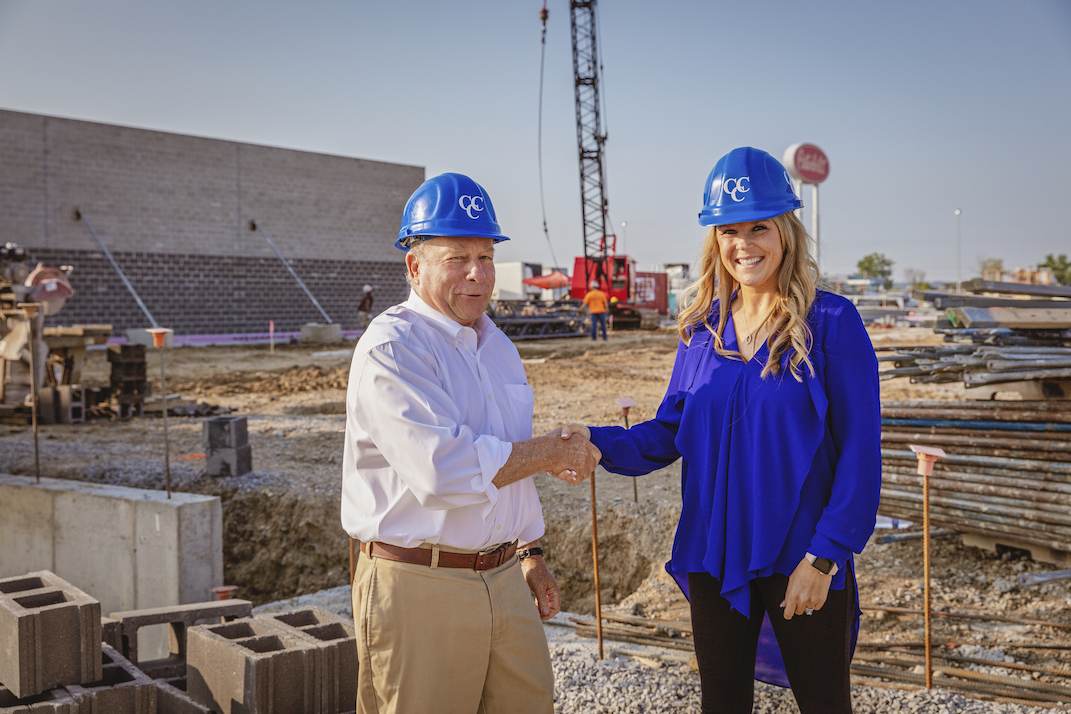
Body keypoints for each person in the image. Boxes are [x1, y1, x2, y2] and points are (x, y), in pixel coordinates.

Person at [561, 148, 881, 713]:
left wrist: (826, 557)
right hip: (713, 554)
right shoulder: (701, 331)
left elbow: (860, 451)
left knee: (825, 705)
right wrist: (593, 439)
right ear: (715, 239)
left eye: (759, 227)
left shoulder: (831, 323)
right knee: (722, 705)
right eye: (729, 230)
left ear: (785, 230)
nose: (744, 243)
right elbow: (667, 433)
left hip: (801, 558)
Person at [341, 172, 601, 714]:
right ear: (415, 265)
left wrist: (530, 553)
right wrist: (552, 451)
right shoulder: (392, 348)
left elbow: (509, 456)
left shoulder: (498, 345)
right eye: (457, 258)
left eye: (485, 257)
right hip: (418, 584)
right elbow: (443, 469)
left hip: (504, 577)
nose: (477, 274)